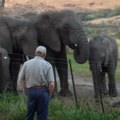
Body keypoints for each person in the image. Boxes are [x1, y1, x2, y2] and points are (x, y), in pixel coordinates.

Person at [18, 46, 55, 120]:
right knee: (42, 116)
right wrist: (49, 94)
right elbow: (51, 84)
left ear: (35, 53)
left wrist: (25, 90)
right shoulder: (48, 65)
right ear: (45, 55)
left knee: (29, 115)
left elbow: (21, 80)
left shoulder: (26, 63)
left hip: (30, 91)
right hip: (43, 92)